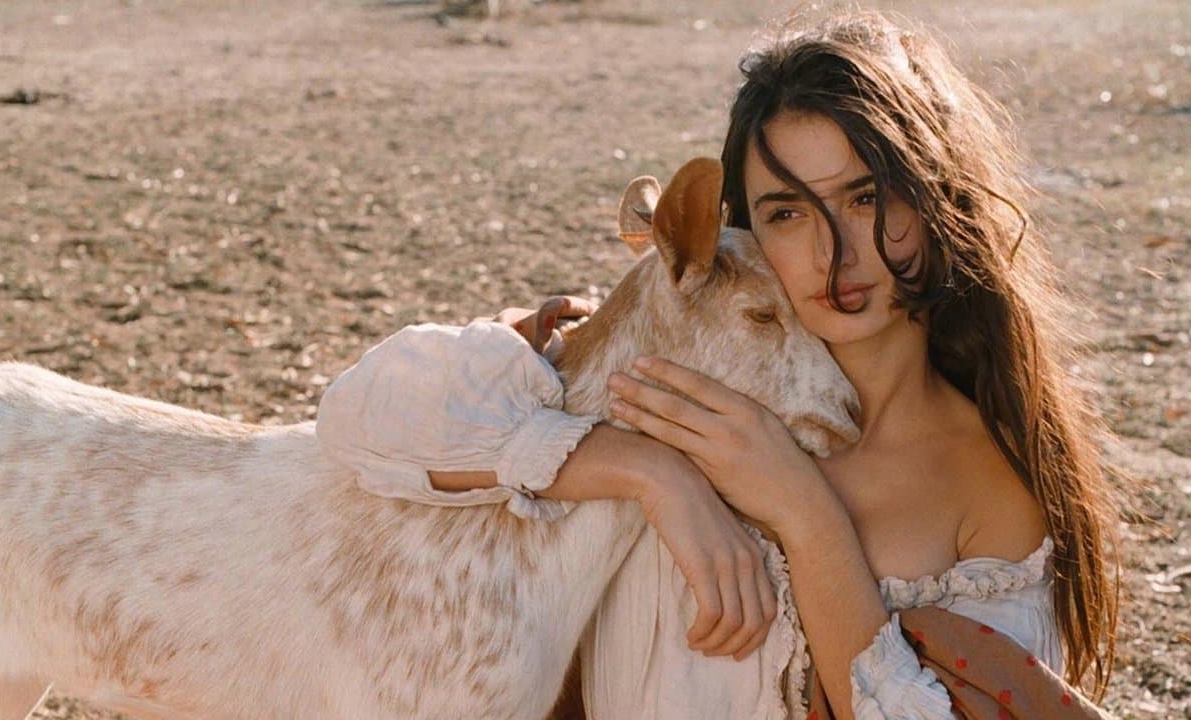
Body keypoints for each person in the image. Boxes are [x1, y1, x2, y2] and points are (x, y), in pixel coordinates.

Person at [314, 8, 1120, 719]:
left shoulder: (989, 483)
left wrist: (805, 514)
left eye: (866, 196)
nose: (833, 252)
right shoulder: (680, 398)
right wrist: (651, 474)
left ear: (938, 197)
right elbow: (357, 418)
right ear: (743, 234)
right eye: (787, 212)